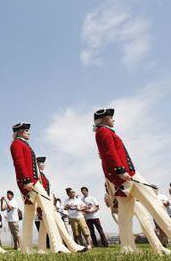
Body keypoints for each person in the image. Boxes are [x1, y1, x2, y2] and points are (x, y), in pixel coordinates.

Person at [94, 108, 171, 253]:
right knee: (155, 204)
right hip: (128, 175)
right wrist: (120, 170)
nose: (113, 120)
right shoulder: (104, 132)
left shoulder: (103, 132)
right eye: (111, 117)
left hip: (123, 177)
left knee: (124, 215)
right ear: (104, 119)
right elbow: (110, 153)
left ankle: (127, 248)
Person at [10, 122, 69, 254]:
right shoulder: (16, 144)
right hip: (30, 182)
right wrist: (26, 181)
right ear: (19, 132)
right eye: (26, 130)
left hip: (33, 181)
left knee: (30, 216)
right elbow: (19, 162)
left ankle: (26, 248)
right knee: (47, 209)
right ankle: (56, 246)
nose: (28, 132)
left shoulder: (24, 144)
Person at [35, 157, 86, 254]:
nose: (43, 165)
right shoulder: (38, 176)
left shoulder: (43, 176)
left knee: (48, 226)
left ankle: (42, 249)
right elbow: (37, 193)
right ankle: (61, 247)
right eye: (41, 163)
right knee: (54, 225)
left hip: (49, 205)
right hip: (44, 205)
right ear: (37, 164)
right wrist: (39, 208)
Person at [105, 180, 170, 255]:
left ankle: (158, 247)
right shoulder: (108, 190)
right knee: (127, 226)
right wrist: (114, 199)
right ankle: (129, 249)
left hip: (132, 199)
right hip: (123, 200)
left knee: (145, 221)